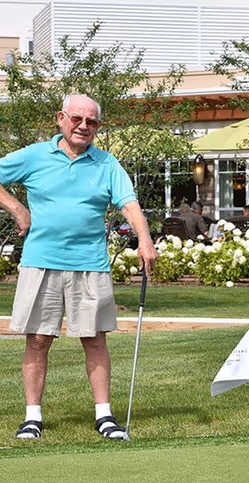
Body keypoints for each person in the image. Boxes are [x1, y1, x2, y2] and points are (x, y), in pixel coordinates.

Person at [0, 93, 158, 440]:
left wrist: (144, 239)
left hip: (90, 264)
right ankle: (32, 417)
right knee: (38, 339)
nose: (83, 126)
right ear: (61, 118)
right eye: (77, 119)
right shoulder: (34, 155)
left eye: (92, 122)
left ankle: (104, 416)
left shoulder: (106, 164)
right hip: (41, 262)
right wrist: (18, 209)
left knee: (95, 338)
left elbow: (129, 205)